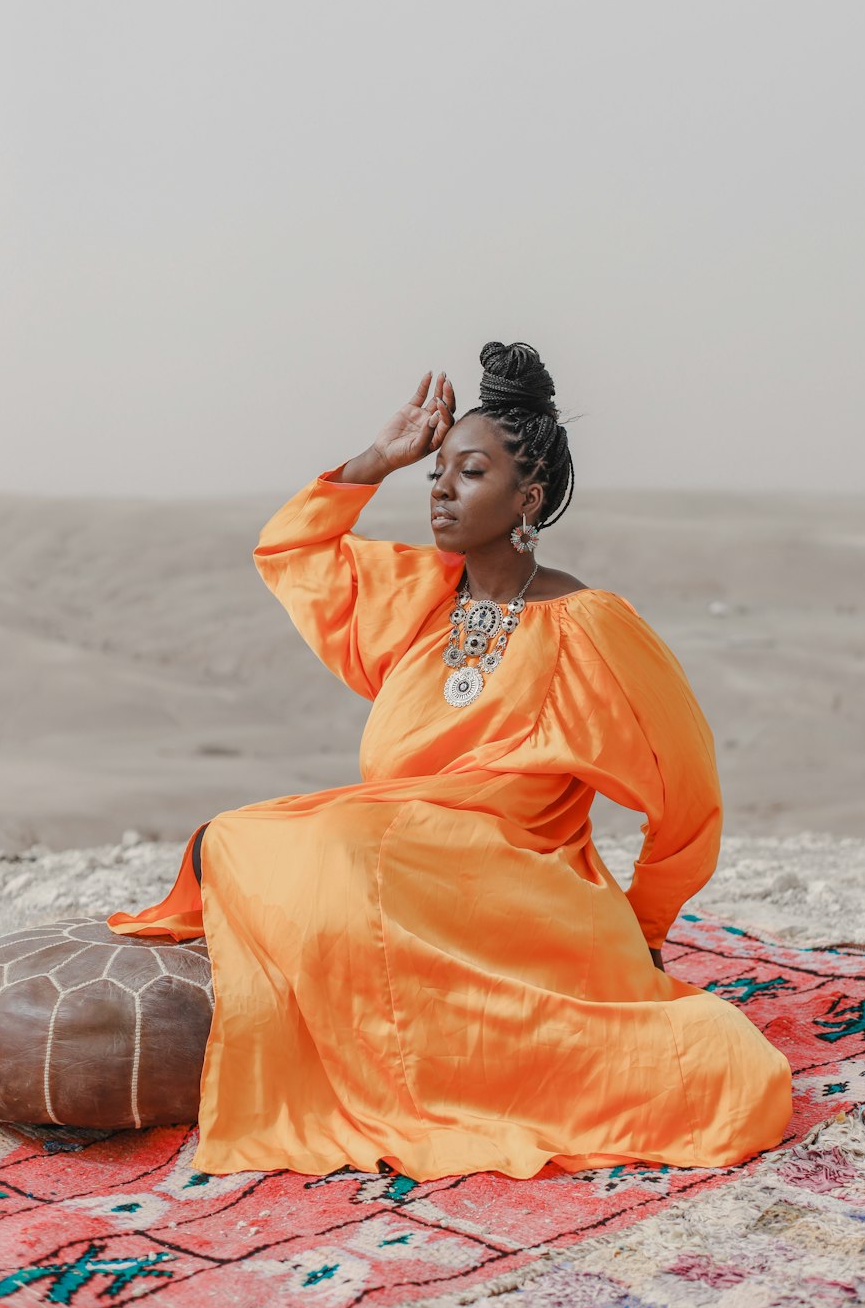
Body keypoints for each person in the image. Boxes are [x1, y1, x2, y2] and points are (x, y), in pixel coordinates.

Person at [109, 340, 792, 1182]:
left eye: (468, 472)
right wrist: (376, 460)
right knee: (244, 837)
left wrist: (644, 930)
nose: (438, 488)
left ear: (527, 498)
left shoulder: (592, 626)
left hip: (519, 890)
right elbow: (293, 552)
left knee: (725, 1083)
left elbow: (687, 798)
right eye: (435, 470)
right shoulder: (420, 598)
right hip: (391, 868)